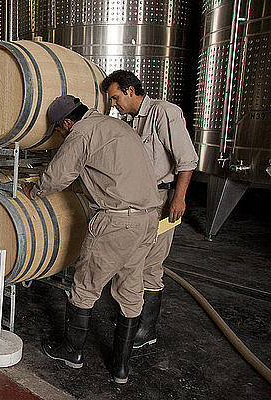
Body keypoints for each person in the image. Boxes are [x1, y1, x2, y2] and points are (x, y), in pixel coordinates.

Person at [22, 95, 161, 384]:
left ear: (68, 122)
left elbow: (58, 175)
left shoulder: (81, 133)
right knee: (131, 287)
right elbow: (103, 172)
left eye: (59, 131)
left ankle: (71, 353)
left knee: (85, 286)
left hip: (116, 221)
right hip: (148, 217)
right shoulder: (113, 125)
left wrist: (33, 192)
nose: (61, 136)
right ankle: (121, 368)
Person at [100, 70, 198, 349]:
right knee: (131, 261)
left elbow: (187, 161)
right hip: (137, 201)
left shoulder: (164, 113)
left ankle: (146, 328)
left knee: (152, 265)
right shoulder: (130, 122)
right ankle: (131, 315)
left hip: (162, 200)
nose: (114, 105)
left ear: (131, 91)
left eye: (116, 98)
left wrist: (179, 199)